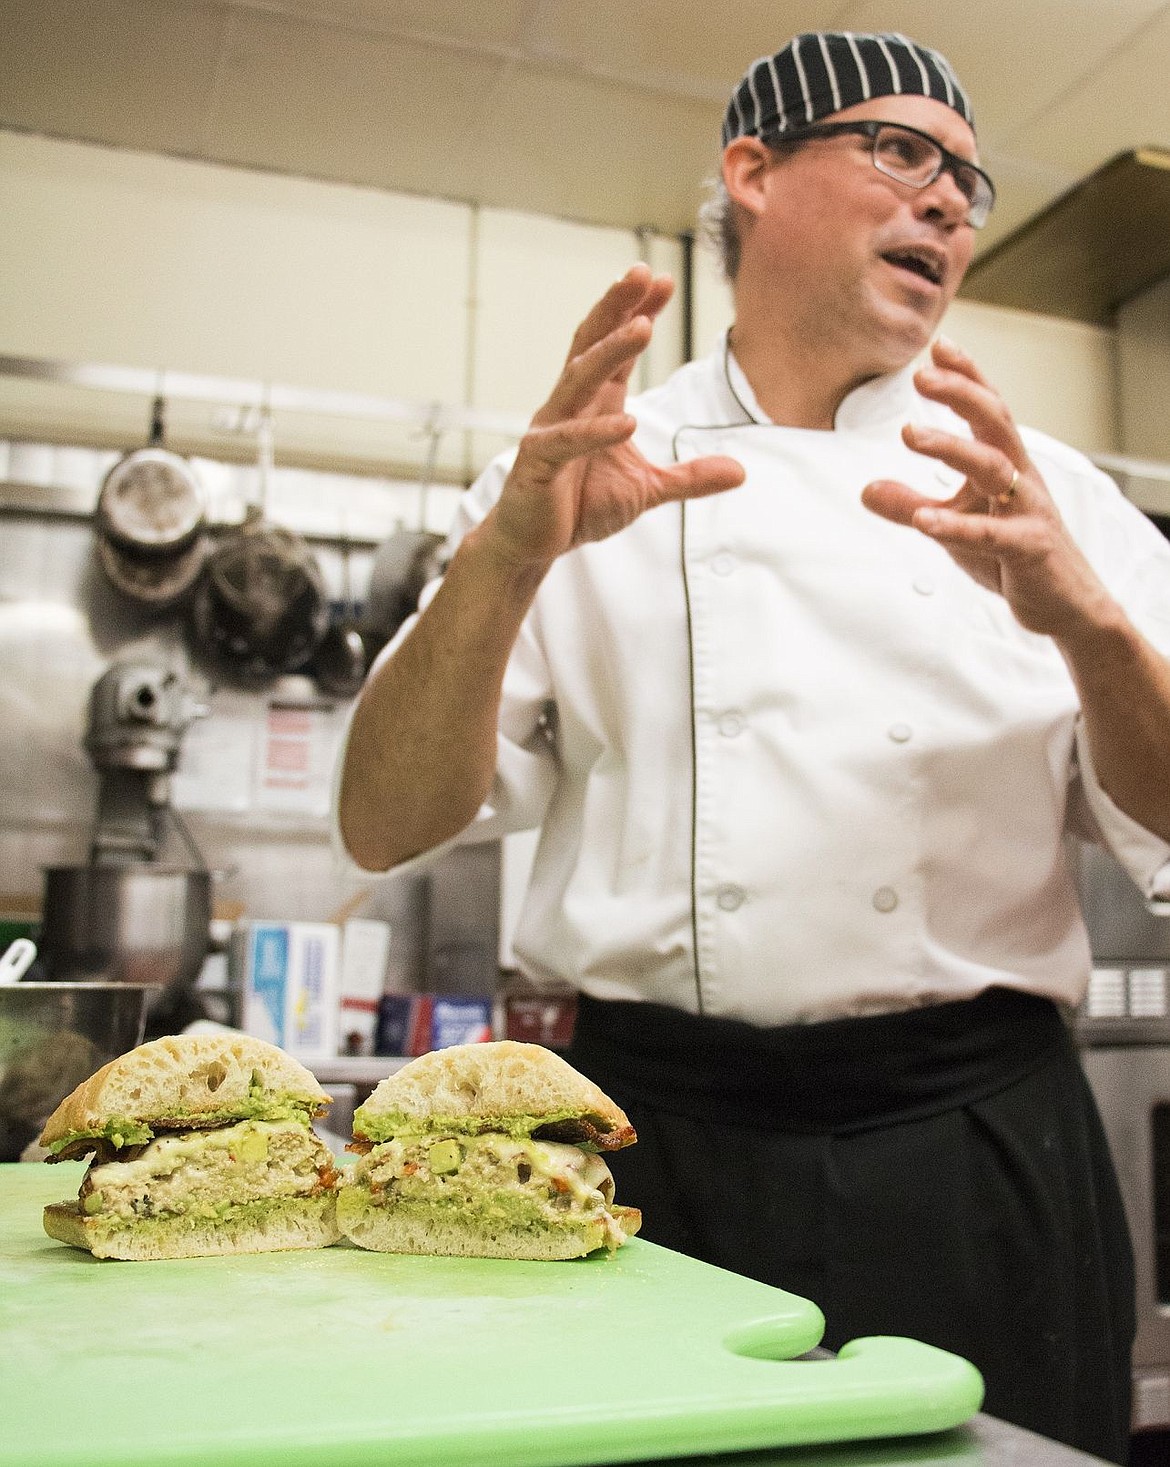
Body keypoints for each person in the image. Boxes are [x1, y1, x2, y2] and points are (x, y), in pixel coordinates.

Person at [335, 31, 1170, 1463]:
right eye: (900, 153)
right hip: (653, 1147)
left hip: (971, 1142)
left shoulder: (1054, 500)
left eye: (966, 180)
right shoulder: (579, 465)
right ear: (752, 173)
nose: (948, 203)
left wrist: (1084, 618)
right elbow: (384, 825)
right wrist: (501, 562)